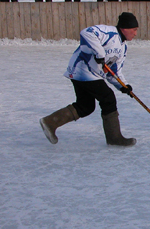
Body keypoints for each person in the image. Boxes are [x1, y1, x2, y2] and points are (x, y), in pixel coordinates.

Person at [40, 12, 139, 147]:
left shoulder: (122, 47)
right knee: (108, 98)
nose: (135, 33)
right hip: (82, 70)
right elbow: (86, 33)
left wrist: (123, 85)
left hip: (87, 74)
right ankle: (114, 138)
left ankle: (50, 122)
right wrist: (99, 53)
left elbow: (113, 71)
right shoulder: (108, 32)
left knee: (85, 107)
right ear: (124, 28)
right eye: (134, 30)